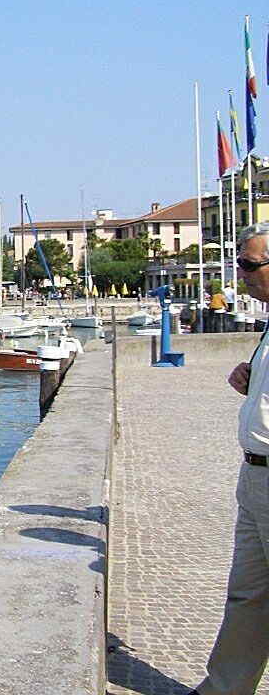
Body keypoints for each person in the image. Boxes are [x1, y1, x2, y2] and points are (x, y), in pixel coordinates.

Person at [195, 222, 269, 694]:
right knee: (248, 596)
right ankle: (224, 689)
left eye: (248, 264)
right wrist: (251, 376)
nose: (240, 274)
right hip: (255, 475)